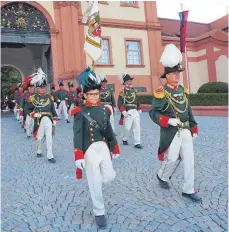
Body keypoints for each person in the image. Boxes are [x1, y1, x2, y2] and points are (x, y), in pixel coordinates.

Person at [149, 44, 201, 202]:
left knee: (189, 159)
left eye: (178, 73)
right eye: (173, 73)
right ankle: (162, 176)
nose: (177, 75)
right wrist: (167, 120)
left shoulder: (182, 91)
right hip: (171, 132)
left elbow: (188, 111)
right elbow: (153, 113)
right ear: (167, 75)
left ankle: (188, 189)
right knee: (171, 159)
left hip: (185, 130)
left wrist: (193, 127)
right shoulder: (161, 93)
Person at [72, 67, 120, 228]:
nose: (94, 96)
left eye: (96, 93)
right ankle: (99, 211)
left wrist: (115, 146)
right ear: (84, 95)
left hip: (103, 147)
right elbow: (77, 134)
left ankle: (98, 188)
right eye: (91, 94)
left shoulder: (104, 110)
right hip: (90, 149)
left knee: (110, 175)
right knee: (94, 182)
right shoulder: (80, 113)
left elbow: (109, 130)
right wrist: (78, 155)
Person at [29, 68, 57, 163]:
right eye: (41, 87)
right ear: (37, 88)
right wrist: (32, 114)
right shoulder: (33, 98)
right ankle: (39, 150)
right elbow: (28, 109)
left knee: (49, 136)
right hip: (38, 119)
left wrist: (55, 118)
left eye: (44, 87)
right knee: (39, 136)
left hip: (48, 118)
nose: (43, 89)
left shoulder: (49, 97)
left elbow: (53, 109)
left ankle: (50, 155)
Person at [117, 72, 143, 149]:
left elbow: (137, 101)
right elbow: (120, 103)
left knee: (137, 127)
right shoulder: (122, 92)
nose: (129, 83)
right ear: (124, 83)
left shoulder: (134, 91)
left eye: (130, 81)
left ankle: (137, 142)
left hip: (135, 111)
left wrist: (139, 108)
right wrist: (123, 111)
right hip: (127, 112)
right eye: (128, 82)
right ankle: (124, 138)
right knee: (127, 128)